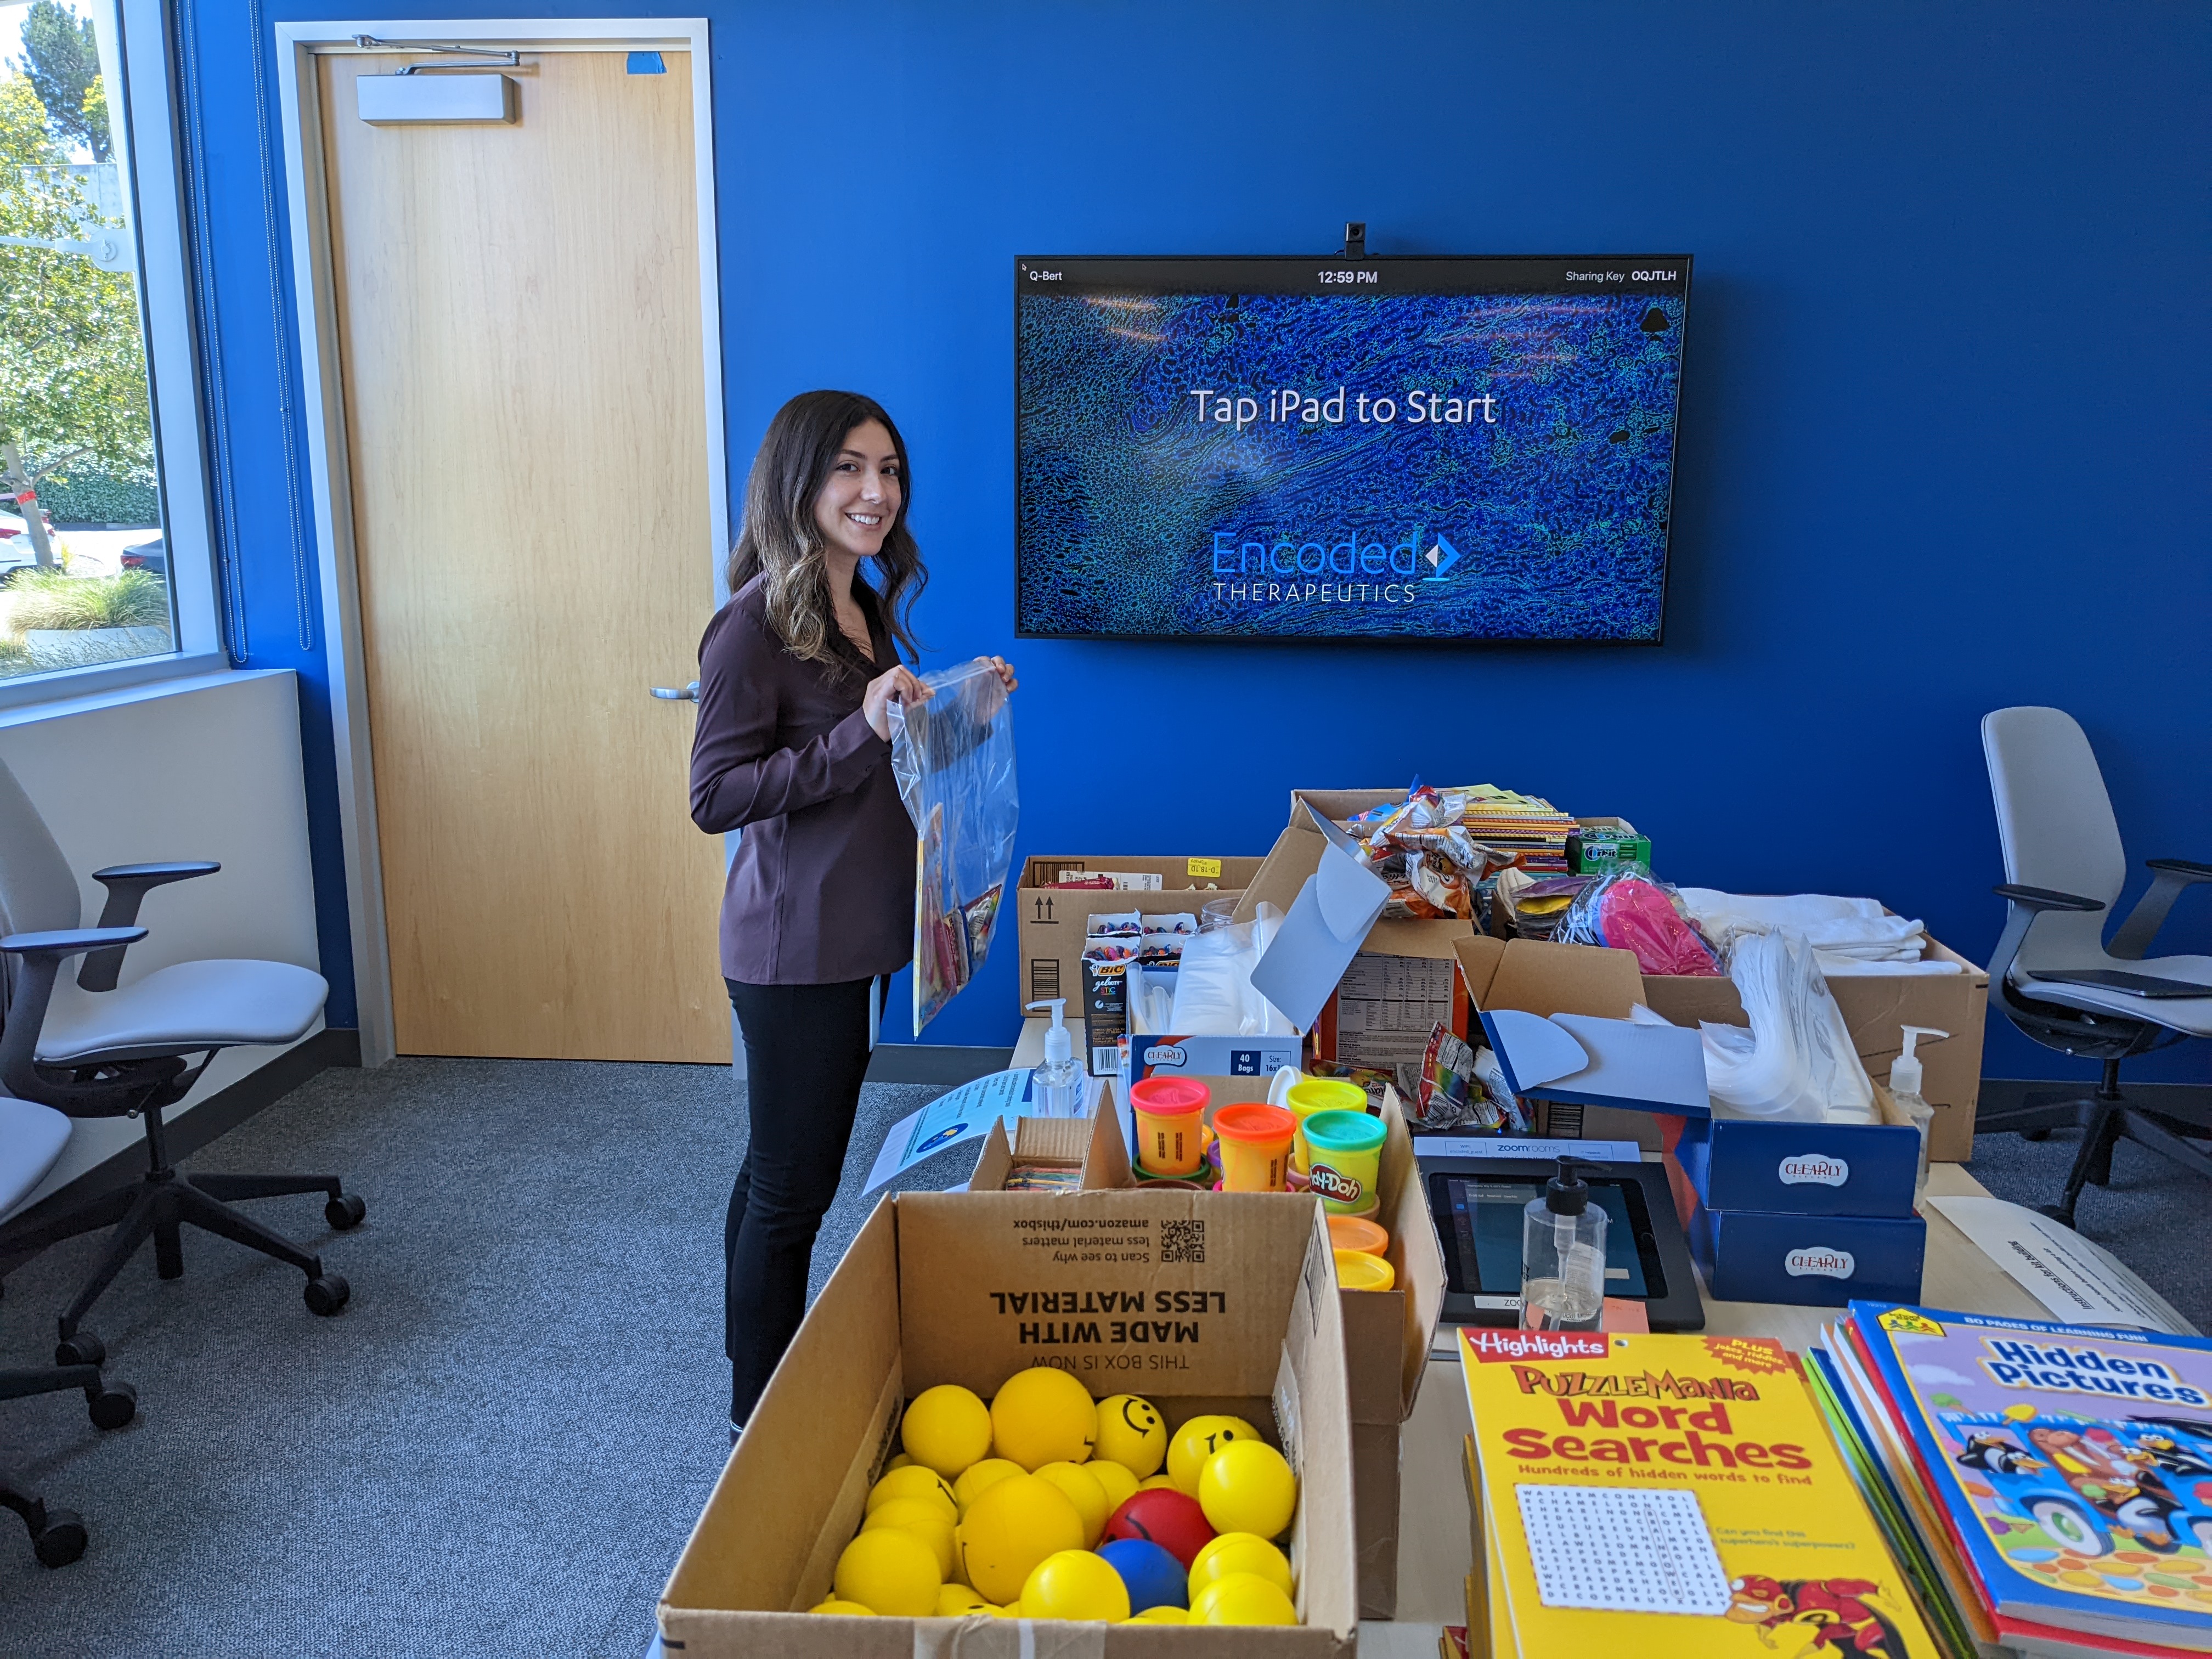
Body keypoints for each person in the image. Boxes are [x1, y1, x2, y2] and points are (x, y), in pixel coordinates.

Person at [689, 389, 1015, 1437]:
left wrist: (962, 718)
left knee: (778, 1165)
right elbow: (716, 798)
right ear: (798, 481)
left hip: (860, 935)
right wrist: (853, 735)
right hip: (794, 951)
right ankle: (758, 1425)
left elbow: (887, 767)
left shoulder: (866, 607)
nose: (875, 492)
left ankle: (752, 1357)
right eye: (848, 469)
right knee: (796, 1185)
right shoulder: (749, 628)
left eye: (889, 471)